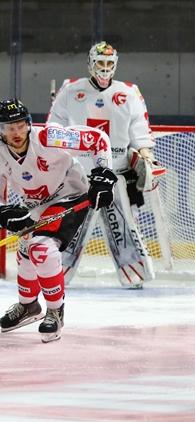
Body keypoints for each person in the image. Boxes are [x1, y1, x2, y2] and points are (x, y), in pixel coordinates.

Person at [0, 98, 117, 342]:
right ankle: (28, 306)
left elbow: (98, 139)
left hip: (70, 194)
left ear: (28, 124)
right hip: (37, 205)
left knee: (41, 248)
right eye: (9, 128)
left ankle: (55, 311)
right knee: (25, 250)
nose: (16, 132)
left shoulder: (49, 138)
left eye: (20, 125)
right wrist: (4, 213)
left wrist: (103, 175)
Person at [48, 41, 162, 288]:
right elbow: (53, 128)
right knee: (71, 224)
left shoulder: (129, 92)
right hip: (79, 175)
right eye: (100, 62)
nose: (105, 67)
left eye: (110, 63)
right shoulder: (70, 90)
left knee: (123, 224)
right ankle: (55, 273)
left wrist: (146, 155)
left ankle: (135, 274)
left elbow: (140, 129)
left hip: (116, 174)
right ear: (90, 63)